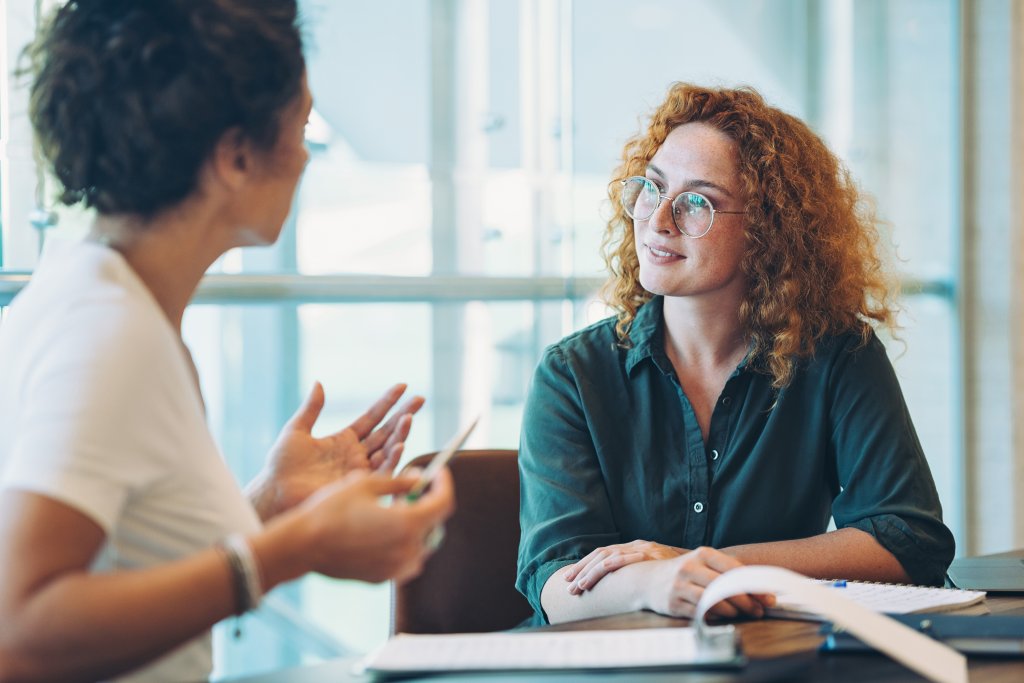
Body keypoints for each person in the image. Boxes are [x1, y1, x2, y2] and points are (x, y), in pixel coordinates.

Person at [0, 2, 454, 681]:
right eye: (300, 127)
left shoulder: (98, 293)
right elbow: (19, 629)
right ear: (237, 156)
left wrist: (266, 503)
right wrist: (292, 548)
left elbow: (124, 560)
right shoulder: (110, 330)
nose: (305, 156)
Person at [516, 83, 955, 626]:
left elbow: (910, 541)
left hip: (767, 661)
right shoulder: (572, 374)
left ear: (768, 231)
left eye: (697, 202)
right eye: (651, 189)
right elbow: (555, 588)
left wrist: (713, 568)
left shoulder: (837, 356)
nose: (657, 221)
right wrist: (655, 583)